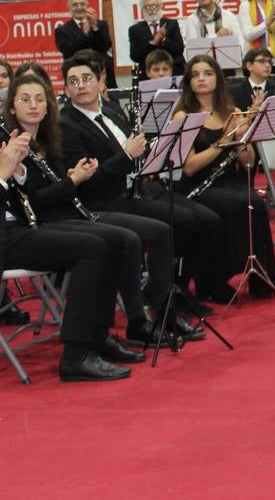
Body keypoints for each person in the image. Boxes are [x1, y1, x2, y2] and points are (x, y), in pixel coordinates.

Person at [6, 70, 182, 352]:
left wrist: (73, 178)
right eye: (25, 99)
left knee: (130, 237)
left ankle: (146, 318)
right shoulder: (16, 144)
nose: (33, 105)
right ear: (12, 106)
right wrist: (74, 181)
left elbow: (53, 191)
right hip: (46, 221)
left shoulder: (49, 139)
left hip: (65, 212)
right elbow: (35, 204)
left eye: (40, 99)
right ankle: (92, 340)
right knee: (110, 242)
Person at [59, 53, 225, 330]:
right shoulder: (67, 125)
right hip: (103, 202)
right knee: (163, 229)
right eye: (73, 82)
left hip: (137, 190)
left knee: (194, 219)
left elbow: (136, 153)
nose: (81, 86)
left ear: (101, 83)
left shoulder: (110, 113)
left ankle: (171, 290)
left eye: (87, 79)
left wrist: (155, 150)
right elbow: (89, 182)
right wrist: (127, 156)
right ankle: (162, 307)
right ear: (65, 89)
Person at [0, 128, 135, 381]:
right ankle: (76, 354)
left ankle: (96, 337)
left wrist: (16, 170)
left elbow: (21, 195)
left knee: (105, 241)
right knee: (92, 248)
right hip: (7, 236)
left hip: (16, 227)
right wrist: (2, 174)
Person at [173, 55, 275, 302]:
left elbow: (249, 162)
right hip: (197, 186)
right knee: (236, 204)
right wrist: (224, 141)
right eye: (195, 74)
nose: (201, 79)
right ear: (188, 81)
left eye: (207, 73)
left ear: (218, 78)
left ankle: (257, 276)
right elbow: (189, 167)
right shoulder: (183, 116)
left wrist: (243, 137)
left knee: (257, 202)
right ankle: (213, 280)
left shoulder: (230, 111)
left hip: (229, 182)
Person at [54, 0, 115, 85]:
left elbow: (104, 46)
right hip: (77, 77)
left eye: (82, 4)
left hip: (102, 76)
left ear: (87, 6)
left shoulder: (101, 25)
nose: (79, 8)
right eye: (75, 5)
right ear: (69, 8)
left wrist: (94, 27)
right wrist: (85, 34)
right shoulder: (62, 30)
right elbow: (68, 51)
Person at [127, 0, 185, 76]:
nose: (152, 9)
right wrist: (153, 43)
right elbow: (135, 56)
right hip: (148, 73)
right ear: (142, 9)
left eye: (154, 5)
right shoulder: (135, 29)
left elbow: (179, 49)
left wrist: (163, 39)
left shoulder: (171, 24)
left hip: (173, 70)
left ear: (160, 7)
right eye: (148, 6)